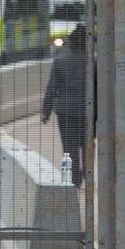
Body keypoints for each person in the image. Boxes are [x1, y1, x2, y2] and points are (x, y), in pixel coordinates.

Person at [41, 24, 88, 188]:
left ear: (71, 43)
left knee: (69, 146)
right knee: (88, 144)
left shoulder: (60, 62)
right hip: (88, 111)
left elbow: (52, 88)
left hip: (66, 110)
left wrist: (45, 112)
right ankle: (88, 174)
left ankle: (74, 178)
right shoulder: (94, 63)